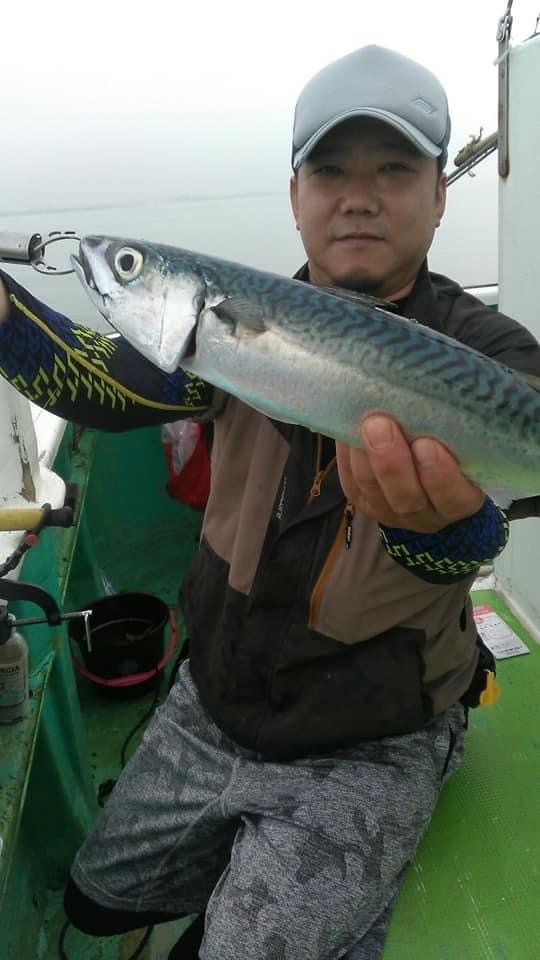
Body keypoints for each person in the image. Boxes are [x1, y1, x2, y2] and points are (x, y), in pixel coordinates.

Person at [1, 44, 540, 960]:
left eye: (395, 170)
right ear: (295, 194)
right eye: (330, 171)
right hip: (215, 697)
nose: (357, 196)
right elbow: (101, 386)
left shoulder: (498, 357)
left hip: (375, 731)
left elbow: (482, 529)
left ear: (441, 194)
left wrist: (442, 532)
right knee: (94, 902)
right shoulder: (230, 327)